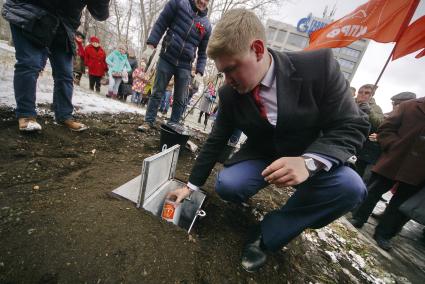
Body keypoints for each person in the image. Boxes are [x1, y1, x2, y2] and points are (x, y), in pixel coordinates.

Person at [167, 9, 369, 272]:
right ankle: (245, 196)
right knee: (229, 184)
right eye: (222, 73)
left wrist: (308, 163)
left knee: (351, 188)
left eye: (231, 69)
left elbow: (352, 125)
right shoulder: (230, 94)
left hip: (312, 154)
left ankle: (267, 234)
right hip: (264, 155)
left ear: (258, 50)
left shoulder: (317, 66)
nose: (227, 80)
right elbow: (216, 140)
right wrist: (190, 186)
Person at [2, 0, 109, 132]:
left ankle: (64, 115)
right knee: (30, 63)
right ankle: (26, 114)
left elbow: (100, 14)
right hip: (30, 11)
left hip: (64, 24)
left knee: (65, 73)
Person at [350, 96, 425, 251]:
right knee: (374, 191)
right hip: (394, 160)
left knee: (400, 205)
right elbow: (386, 128)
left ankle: (384, 234)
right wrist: (393, 145)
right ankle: (358, 217)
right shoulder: (409, 106)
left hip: (419, 170)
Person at [137, 0, 212, 131]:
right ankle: (148, 121)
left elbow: (202, 52)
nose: (202, 1)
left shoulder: (206, 25)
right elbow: (161, 23)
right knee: (157, 91)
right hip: (167, 56)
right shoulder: (178, 4)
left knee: (180, 98)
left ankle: (173, 126)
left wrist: (200, 71)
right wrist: (151, 45)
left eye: (206, 0)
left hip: (185, 65)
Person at [354, 84, 385, 182]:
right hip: (343, 137)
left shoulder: (376, 108)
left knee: (357, 170)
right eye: (360, 92)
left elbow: (380, 124)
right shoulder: (349, 101)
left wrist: (369, 111)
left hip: (361, 143)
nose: (363, 95)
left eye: (367, 93)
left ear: (372, 95)